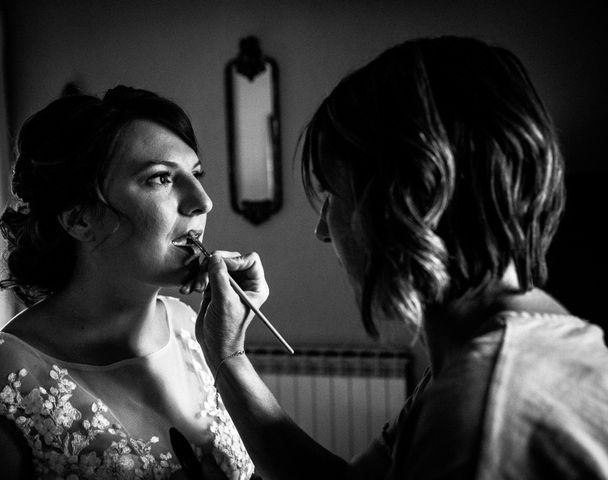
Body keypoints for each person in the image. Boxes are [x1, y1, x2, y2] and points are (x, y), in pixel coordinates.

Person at [193, 36, 608, 479]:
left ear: (401, 205)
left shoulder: (482, 418)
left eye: (333, 194)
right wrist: (226, 354)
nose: (322, 231)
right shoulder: (514, 346)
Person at [0, 86, 255, 479]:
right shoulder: (1, 377)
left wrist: (231, 354)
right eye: (160, 179)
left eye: (196, 174)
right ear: (80, 218)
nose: (203, 200)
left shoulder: (190, 326)